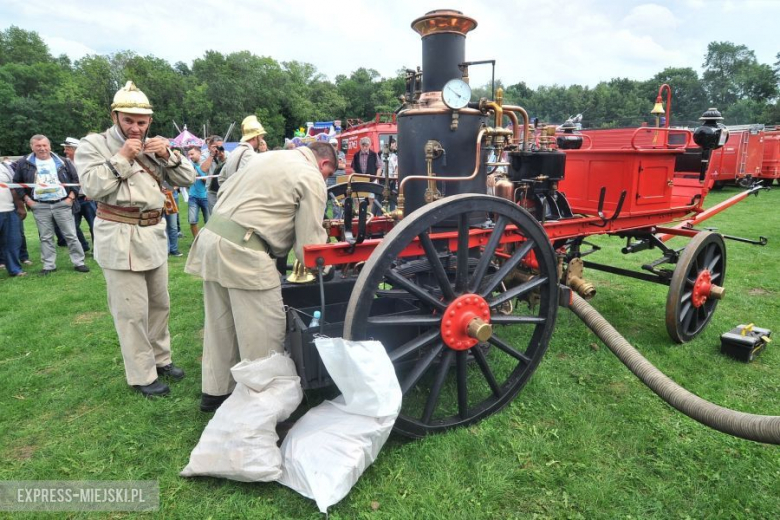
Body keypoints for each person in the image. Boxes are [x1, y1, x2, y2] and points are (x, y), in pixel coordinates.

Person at [185, 141, 337, 412]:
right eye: (328, 175)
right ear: (324, 164)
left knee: (221, 324)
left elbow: (224, 183)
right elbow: (308, 247)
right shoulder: (311, 175)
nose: (326, 180)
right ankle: (265, 408)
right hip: (245, 250)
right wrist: (328, 267)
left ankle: (216, 393)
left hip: (212, 239)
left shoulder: (267, 157)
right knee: (265, 333)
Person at [76, 81, 196, 398]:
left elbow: (188, 178)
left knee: (160, 305)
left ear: (149, 121)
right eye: (128, 120)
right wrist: (122, 157)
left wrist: (169, 155)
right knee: (131, 312)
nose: (135, 127)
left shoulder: (153, 144)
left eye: (141, 122)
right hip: (119, 235)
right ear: (115, 116)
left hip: (153, 234)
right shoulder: (94, 145)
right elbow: (91, 187)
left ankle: (161, 359)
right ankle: (142, 375)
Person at [13, 135, 89, 275]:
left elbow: (75, 180)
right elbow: (17, 183)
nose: (42, 148)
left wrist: (71, 198)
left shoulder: (63, 161)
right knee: (45, 237)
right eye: (38, 146)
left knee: (71, 235)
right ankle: (49, 265)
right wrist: (28, 201)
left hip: (62, 203)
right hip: (40, 206)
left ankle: (79, 262)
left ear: (49, 146)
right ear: (32, 147)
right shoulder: (24, 163)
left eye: (44, 145)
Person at [54, 137, 94, 253]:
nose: (65, 151)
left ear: (76, 149)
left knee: (94, 225)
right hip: (73, 199)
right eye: (65, 149)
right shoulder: (63, 164)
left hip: (88, 199)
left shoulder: (88, 162)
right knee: (73, 226)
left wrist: (90, 192)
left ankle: (96, 249)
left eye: (67, 149)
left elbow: (93, 179)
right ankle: (83, 247)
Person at [218, 115, 266, 184]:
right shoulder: (250, 155)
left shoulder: (233, 152)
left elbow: (221, 178)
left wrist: (228, 192)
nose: (261, 140)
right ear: (255, 137)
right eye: (261, 137)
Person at [0, 161, 27, 277]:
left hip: (9, 210)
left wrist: (20, 206)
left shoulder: (4, 167)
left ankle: (15, 269)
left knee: (13, 241)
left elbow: (13, 189)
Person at [186, 146, 210, 237]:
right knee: (192, 221)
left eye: (192, 154)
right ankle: (196, 241)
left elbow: (206, 181)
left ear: (199, 153)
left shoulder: (206, 164)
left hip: (206, 197)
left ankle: (208, 241)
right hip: (193, 196)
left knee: (209, 222)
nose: (190, 157)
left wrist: (197, 167)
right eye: (189, 155)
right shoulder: (189, 165)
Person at [202, 135, 227, 213]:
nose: (218, 149)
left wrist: (223, 158)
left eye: (220, 146)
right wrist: (212, 155)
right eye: (216, 146)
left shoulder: (227, 154)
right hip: (211, 191)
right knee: (214, 215)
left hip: (225, 189)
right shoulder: (205, 155)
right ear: (210, 146)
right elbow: (203, 169)